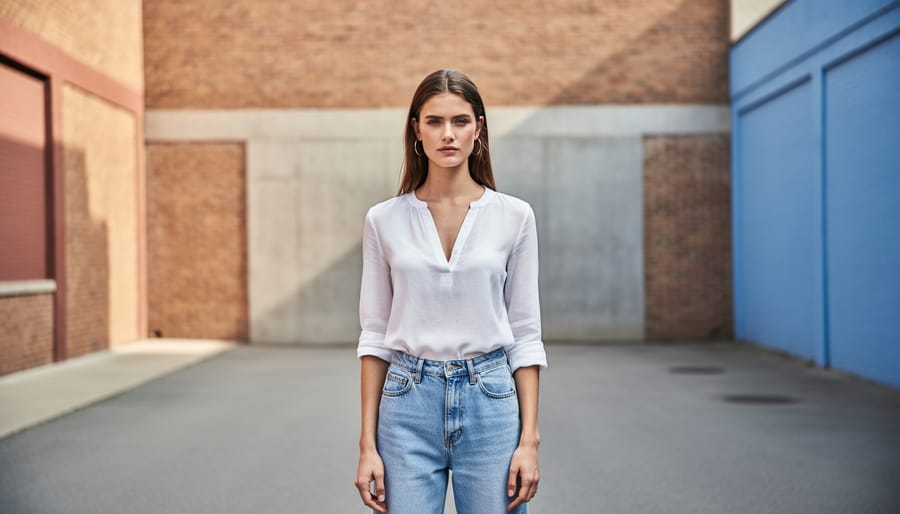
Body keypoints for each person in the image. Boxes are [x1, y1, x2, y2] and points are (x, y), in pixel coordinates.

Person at [354, 68, 547, 514]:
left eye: (460, 121)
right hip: (406, 404)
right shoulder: (383, 219)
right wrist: (367, 444)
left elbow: (525, 332)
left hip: (492, 401)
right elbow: (375, 334)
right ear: (416, 130)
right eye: (434, 121)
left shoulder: (514, 216)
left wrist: (529, 440)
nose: (448, 134)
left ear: (478, 129)